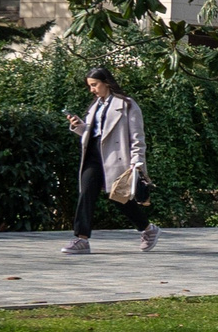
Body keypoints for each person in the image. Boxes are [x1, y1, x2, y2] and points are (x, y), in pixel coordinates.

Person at [62, 66, 157, 254]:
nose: (92, 90)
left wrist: (137, 162)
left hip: (116, 156)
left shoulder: (128, 105)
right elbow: (95, 133)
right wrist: (79, 127)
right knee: (86, 193)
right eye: (90, 86)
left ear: (106, 82)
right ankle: (81, 239)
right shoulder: (95, 105)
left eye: (95, 85)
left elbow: (137, 137)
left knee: (118, 197)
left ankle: (148, 229)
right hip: (93, 154)